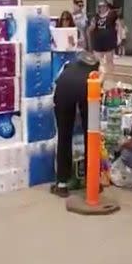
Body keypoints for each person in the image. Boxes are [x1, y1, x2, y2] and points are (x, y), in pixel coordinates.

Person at [51, 50, 100, 198]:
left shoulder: (68, 66)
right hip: (88, 90)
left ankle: (61, 184)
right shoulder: (95, 72)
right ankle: (92, 182)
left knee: (64, 138)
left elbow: (56, 82)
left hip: (63, 92)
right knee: (91, 136)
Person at [89, 0, 118, 77]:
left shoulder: (112, 15)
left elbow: (118, 25)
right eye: (100, 6)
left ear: (106, 6)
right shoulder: (95, 17)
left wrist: (119, 37)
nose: (101, 8)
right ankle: (99, 78)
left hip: (109, 41)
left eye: (103, 6)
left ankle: (110, 78)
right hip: (98, 42)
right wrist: (92, 26)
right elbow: (90, 29)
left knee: (109, 61)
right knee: (98, 62)